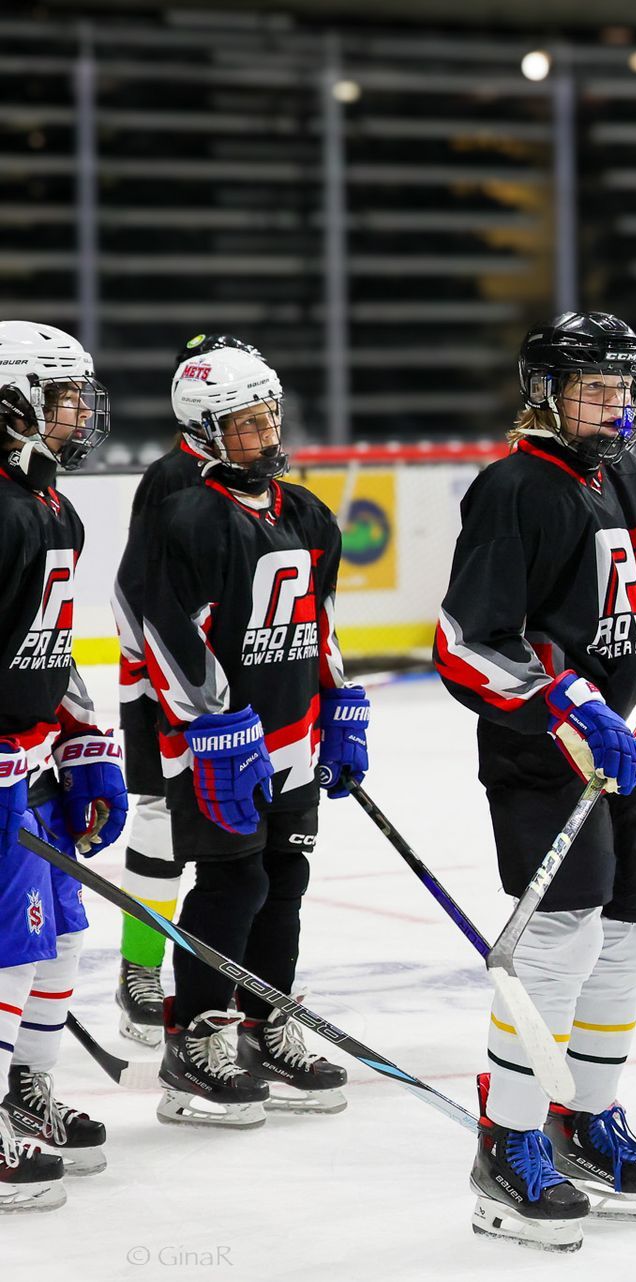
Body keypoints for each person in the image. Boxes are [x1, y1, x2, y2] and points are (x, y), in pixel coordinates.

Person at [436, 311, 636, 1252]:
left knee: (633, 926)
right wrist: (571, 705)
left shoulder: (626, 476)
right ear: (545, 394)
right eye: (592, 389)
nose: (612, 406)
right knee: (559, 940)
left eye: (622, 389)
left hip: (619, 749)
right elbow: (468, 641)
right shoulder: (515, 488)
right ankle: (507, 1141)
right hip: (542, 755)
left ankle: (585, 1118)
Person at [142, 344, 369, 1127]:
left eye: (270, 416)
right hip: (215, 752)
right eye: (245, 424)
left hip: (293, 737)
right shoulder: (188, 518)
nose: (266, 434)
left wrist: (341, 701)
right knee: (232, 884)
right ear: (204, 432)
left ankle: (269, 1021)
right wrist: (215, 727)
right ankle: (196, 1036)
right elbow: (167, 637)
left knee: (286, 880)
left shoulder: (307, 512)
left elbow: (318, 623)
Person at [110, 333, 267, 1047]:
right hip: (170, 691)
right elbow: (135, 591)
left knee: (233, 843)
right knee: (158, 818)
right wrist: (169, 685)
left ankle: (210, 973)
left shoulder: (248, 477)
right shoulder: (175, 479)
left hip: (228, 693)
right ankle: (140, 969)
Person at [0, 320, 126, 1207]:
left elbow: (50, 643)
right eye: (63, 395)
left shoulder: (53, 506)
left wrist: (86, 743)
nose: (80, 413)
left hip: (32, 760)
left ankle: (25, 1090)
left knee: (63, 935)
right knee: (7, 951)